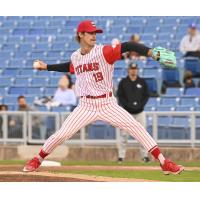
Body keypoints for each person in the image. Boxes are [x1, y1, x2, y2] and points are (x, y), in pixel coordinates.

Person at [23, 20, 184, 175]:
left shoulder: (104, 51)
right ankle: (37, 159)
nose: (94, 35)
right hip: (85, 105)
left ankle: (164, 162)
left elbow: (127, 46)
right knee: (62, 134)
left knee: (136, 127)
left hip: (107, 104)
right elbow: (70, 66)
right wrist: (46, 67)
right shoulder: (76, 57)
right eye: (90, 33)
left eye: (96, 33)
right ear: (80, 34)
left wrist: (150, 52)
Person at [117, 62, 150, 163]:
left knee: (142, 135)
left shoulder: (142, 82)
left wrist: (140, 105)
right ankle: (121, 156)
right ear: (128, 70)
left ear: (137, 70)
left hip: (140, 112)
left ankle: (145, 156)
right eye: (131, 69)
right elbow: (120, 96)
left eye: (135, 69)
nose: (133, 70)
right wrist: (126, 106)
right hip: (127, 113)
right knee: (124, 135)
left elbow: (146, 95)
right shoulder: (123, 82)